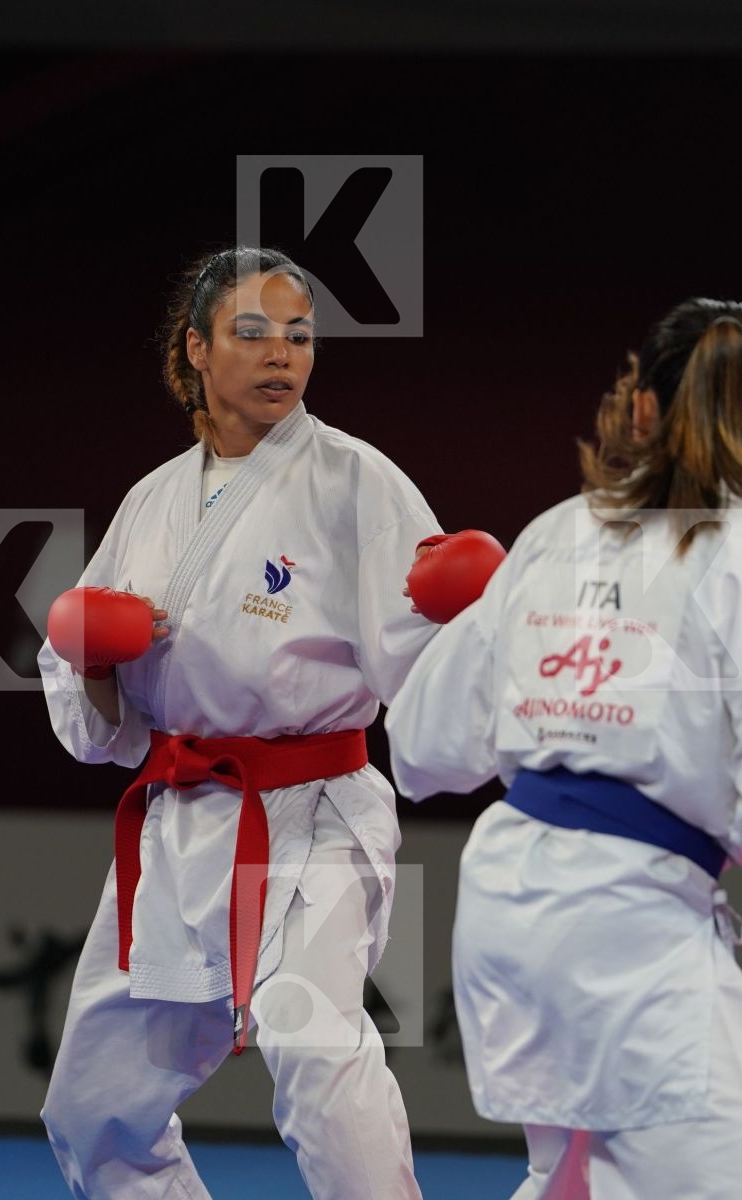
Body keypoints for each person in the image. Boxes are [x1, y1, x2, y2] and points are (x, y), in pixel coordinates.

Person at [386, 298, 742, 1199]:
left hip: (508, 908)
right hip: (629, 931)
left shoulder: (553, 535)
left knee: (573, 1175)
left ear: (639, 404)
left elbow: (421, 744)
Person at [37, 246, 456, 1199]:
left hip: (312, 811)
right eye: (253, 333)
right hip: (182, 822)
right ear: (197, 349)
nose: (281, 355)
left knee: (316, 1053)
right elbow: (105, 730)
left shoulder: (356, 481)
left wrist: (460, 620)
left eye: (299, 336)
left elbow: (423, 677)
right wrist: (93, 659)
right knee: (94, 1108)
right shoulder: (152, 500)